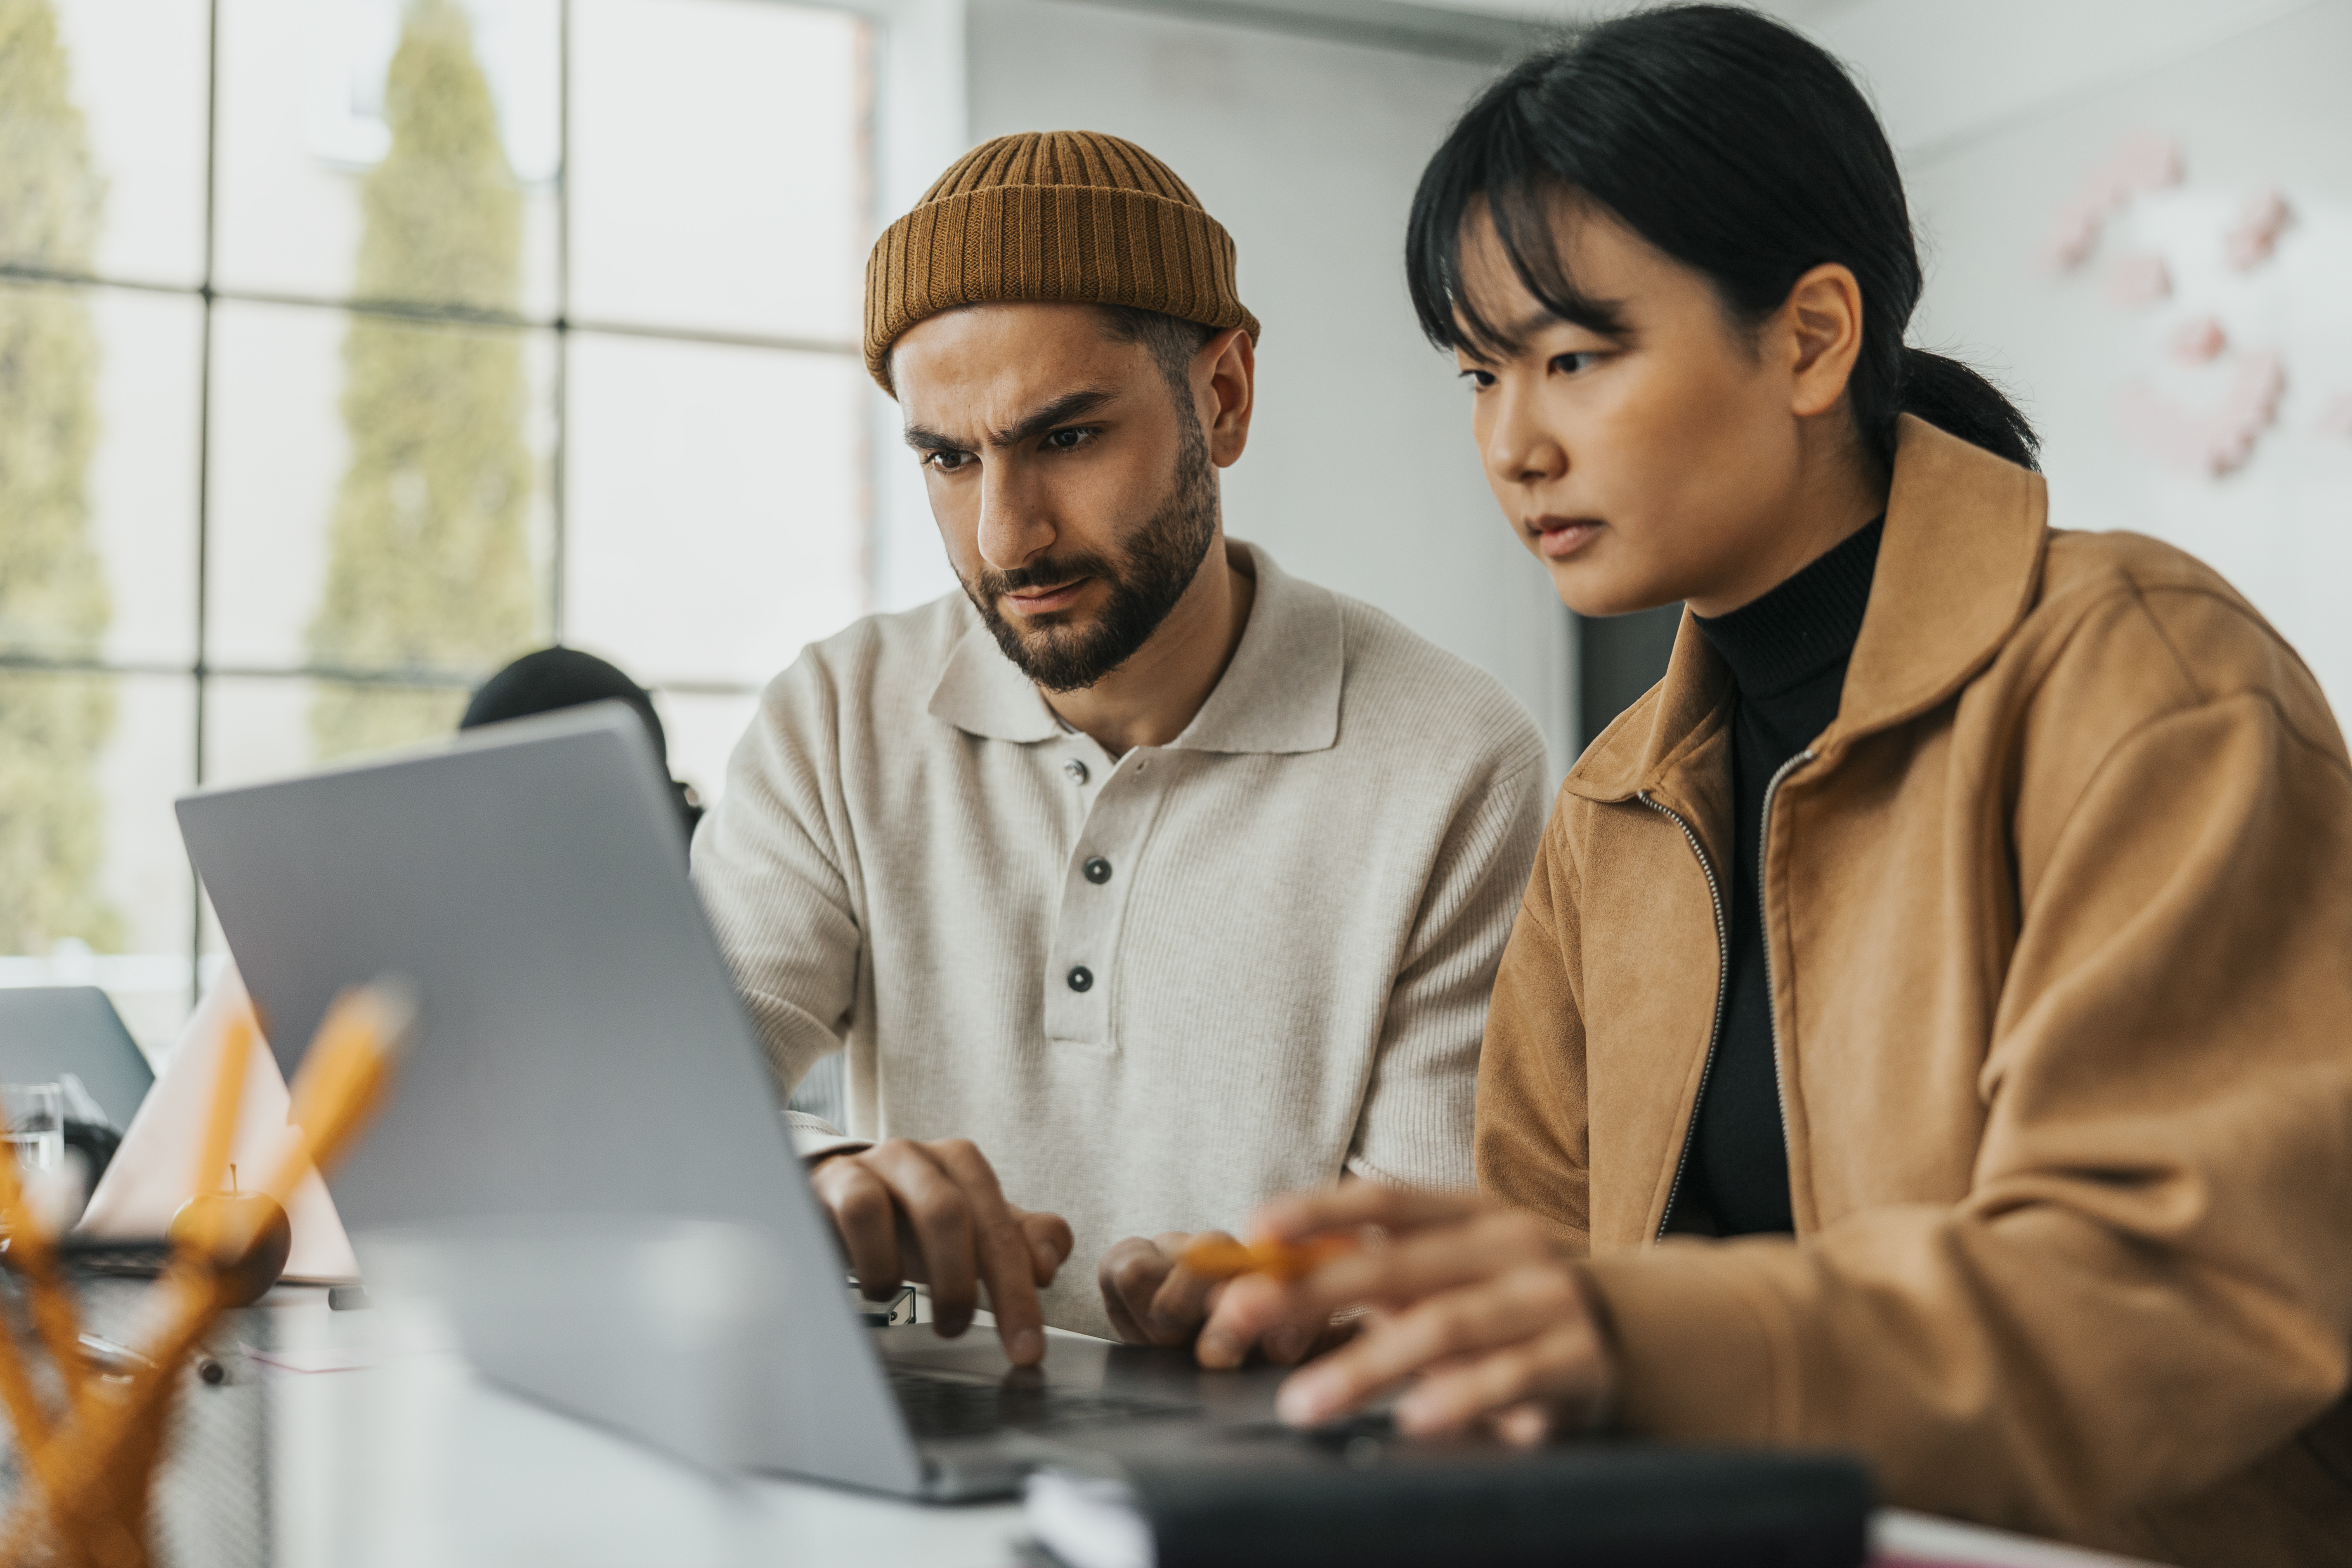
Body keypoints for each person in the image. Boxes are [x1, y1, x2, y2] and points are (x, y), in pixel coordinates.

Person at [1196, 10, 2352, 1564]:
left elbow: (2177, 1290)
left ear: (1809, 338)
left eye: (1573, 357)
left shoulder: (2147, 674)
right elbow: (1541, 1281)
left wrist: (1634, 1335)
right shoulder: (1613, 809)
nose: (1513, 443)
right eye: (1478, 373)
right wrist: (1333, 1317)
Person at [690, 131, 1549, 1360]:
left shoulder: (1453, 763)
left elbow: (1435, 1258)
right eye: (947, 458)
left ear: (1224, 396)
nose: (1005, 536)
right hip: (929, 1472)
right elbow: (674, 1101)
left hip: (1280, 1477)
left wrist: (1289, 1296)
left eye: (1067, 438)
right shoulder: (835, 716)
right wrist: (811, 1176)